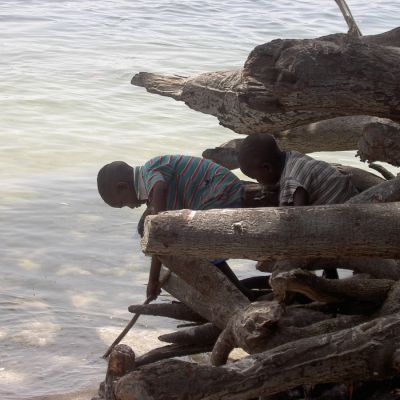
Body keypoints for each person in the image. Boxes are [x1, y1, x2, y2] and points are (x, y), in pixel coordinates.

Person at [97, 155, 257, 300]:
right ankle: (240, 291)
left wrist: (153, 279)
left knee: (199, 249)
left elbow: (159, 229)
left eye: (123, 203)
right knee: (155, 232)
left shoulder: (149, 172)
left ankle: (239, 294)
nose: (130, 207)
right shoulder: (149, 181)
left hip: (221, 191)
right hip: (217, 192)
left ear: (123, 187)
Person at [237, 133, 358, 207]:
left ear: (267, 168)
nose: (258, 182)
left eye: (256, 178)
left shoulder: (291, 180)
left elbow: (297, 219)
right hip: (352, 199)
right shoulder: (293, 157)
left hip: (345, 215)